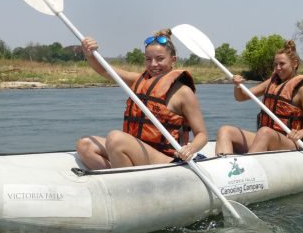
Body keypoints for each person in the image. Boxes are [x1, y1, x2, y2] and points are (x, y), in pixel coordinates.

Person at [76, 28, 208, 169]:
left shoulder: (184, 92)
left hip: (167, 158)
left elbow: (202, 135)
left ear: (173, 60)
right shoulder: (137, 80)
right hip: (139, 150)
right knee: (85, 145)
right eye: (148, 59)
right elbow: (104, 70)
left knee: (116, 138)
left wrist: (191, 148)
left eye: (160, 59)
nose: (153, 64)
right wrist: (90, 54)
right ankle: (117, 177)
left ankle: (124, 182)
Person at [215, 40, 303, 155]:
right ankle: (226, 165)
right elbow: (241, 97)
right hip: (265, 137)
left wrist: (300, 133)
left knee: (265, 132)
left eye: (282, 64)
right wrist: (238, 86)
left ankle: (247, 166)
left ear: (294, 63)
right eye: (275, 64)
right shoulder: (272, 82)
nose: (278, 68)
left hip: (290, 143)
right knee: (225, 131)